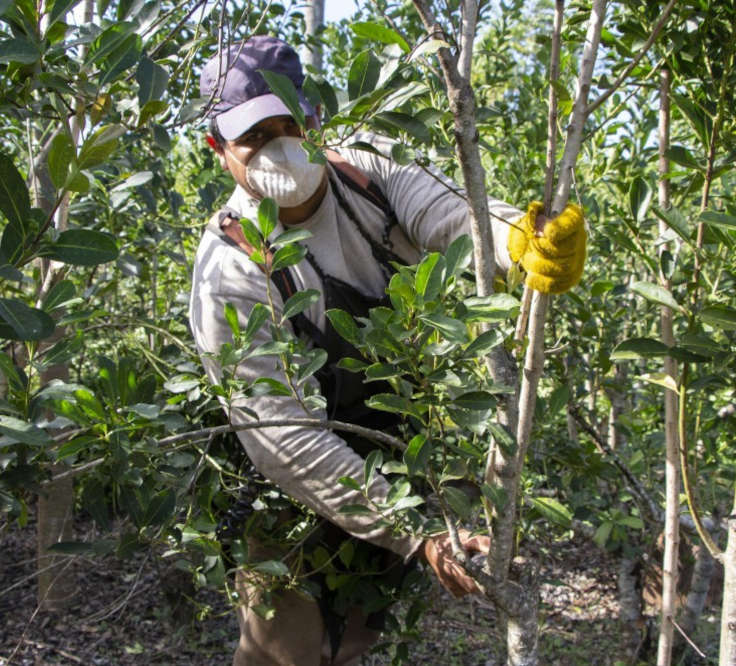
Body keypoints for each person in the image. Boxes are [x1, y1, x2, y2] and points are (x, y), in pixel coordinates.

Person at [189, 35, 585, 666]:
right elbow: (283, 438)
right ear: (219, 149)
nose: (279, 145)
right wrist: (415, 532)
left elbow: (457, 220)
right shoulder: (229, 269)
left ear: (317, 118)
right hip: (286, 484)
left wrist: (521, 242)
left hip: (393, 455)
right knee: (284, 650)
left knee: (353, 640)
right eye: (255, 136)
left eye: (290, 122)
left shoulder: (370, 169)